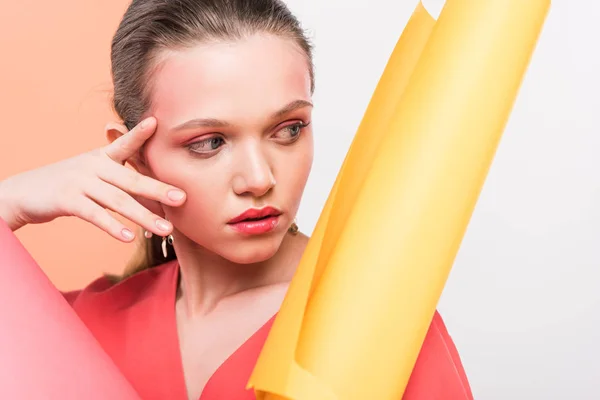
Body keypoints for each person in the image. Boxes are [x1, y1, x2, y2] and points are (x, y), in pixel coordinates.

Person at [0, 0, 474, 399]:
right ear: (137, 157)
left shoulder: (381, 324)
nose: (259, 178)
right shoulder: (80, 324)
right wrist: (10, 201)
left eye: (288, 130)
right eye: (209, 142)